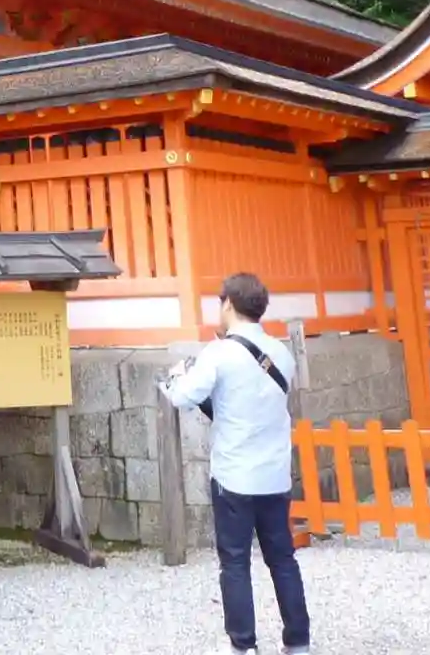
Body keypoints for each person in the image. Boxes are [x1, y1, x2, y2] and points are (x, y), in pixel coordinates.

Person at [161, 272, 310, 655]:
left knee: (235, 563)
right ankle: (298, 642)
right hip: (274, 475)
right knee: (283, 560)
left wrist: (175, 379)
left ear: (228, 303)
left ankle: (244, 645)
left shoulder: (219, 353)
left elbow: (183, 397)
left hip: (234, 476)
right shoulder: (281, 354)